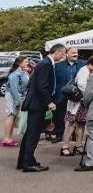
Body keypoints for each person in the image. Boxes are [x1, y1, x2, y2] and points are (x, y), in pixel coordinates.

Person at [17, 44, 67, 172]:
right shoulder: (46, 64)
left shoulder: (45, 63)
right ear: (57, 52)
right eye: (63, 53)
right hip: (37, 104)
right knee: (33, 134)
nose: (64, 56)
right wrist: (49, 102)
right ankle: (28, 163)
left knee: (30, 133)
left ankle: (24, 161)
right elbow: (42, 85)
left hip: (36, 103)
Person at [61, 54, 93, 157]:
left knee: (81, 124)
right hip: (77, 102)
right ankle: (65, 146)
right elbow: (82, 85)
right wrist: (89, 95)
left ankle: (79, 145)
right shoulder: (84, 71)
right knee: (72, 125)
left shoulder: (89, 71)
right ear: (91, 64)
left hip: (82, 102)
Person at [53, 47, 86, 143]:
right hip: (62, 94)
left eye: (76, 52)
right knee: (59, 115)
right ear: (66, 54)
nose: (75, 54)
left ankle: (75, 136)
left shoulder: (83, 64)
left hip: (77, 95)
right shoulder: (58, 66)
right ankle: (59, 135)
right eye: (73, 52)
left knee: (76, 115)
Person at [3, 56, 30, 147]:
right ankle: (7, 139)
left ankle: (9, 138)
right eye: (25, 61)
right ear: (19, 63)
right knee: (11, 115)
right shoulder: (14, 75)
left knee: (13, 117)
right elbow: (14, 89)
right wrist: (18, 101)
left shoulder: (24, 72)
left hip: (19, 96)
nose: (27, 63)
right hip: (12, 96)